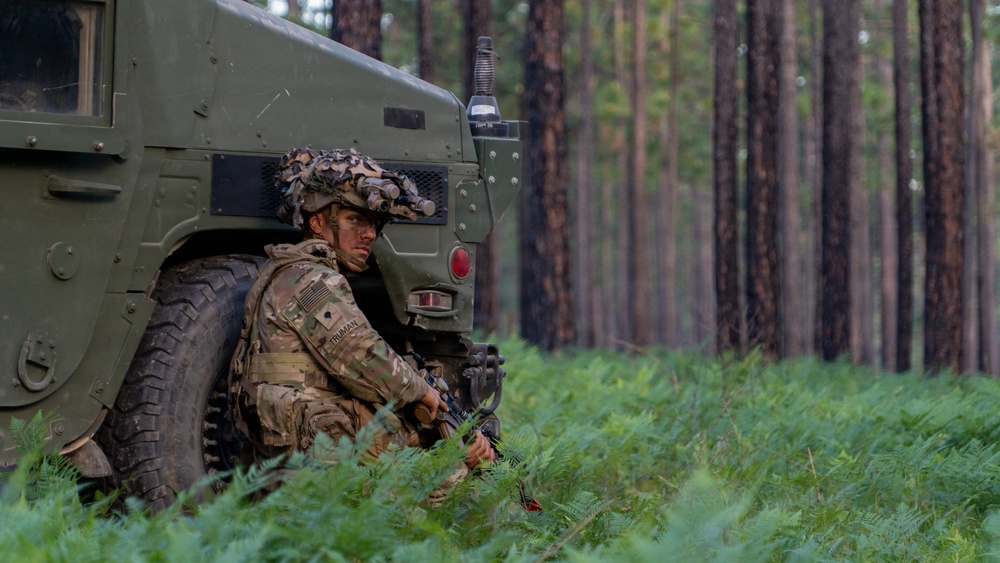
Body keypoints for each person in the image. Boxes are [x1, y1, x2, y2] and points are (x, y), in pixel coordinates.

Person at [229, 147, 494, 483]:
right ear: (318, 222)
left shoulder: (290, 274)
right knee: (450, 478)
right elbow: (364, 356)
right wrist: (425, 395)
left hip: (296, 452)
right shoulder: (311, 279)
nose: (369, 234)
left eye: (373, 224)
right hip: (313, 456)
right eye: (356, 220)